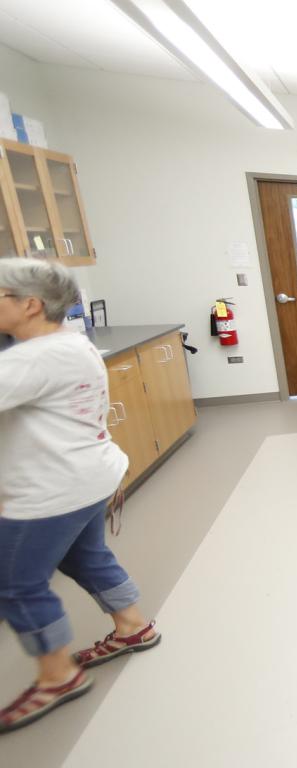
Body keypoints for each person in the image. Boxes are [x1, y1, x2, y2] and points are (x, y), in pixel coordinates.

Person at [0, 259, 160, 733]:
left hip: (52, 491)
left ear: (29, 305)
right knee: (86, 556)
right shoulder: (68, 343)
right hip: (92, 476)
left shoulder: (33, 358)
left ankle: (57, 676)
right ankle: (133, 625)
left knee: (16, 584)